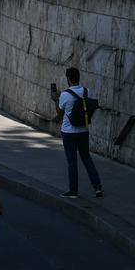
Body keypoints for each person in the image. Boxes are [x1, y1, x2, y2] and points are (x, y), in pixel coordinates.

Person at [52, 67, 103, 198]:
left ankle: (73, 191)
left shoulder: (65, 94)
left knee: (72, 161)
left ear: (68, 78)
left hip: (68, 132)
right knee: (86, 158)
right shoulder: (87, 91)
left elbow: (59, 111)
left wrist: (55, 99)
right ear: (78, 77)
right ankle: (97, 187)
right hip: (83, 131)